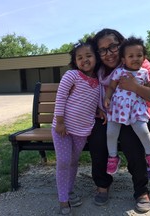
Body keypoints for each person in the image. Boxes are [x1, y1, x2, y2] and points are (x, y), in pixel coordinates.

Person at [87, 28, 150, 213]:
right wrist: (99, 108)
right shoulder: (99, 70)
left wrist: (135, 86)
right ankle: (102, 184)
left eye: (113, 46)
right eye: (103, 50)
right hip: (112, 115)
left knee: (131, 138)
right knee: (98, 135)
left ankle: (141, 191)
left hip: (138, 115)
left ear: (121, 45)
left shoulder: (139, 61)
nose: (109, 53)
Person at [52, 37, 100, 215]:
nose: (84, 59)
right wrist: (60, 122)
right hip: (63, 128)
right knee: (64, 161)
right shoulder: (71, 75)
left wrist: (101, 110)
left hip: (82, 130)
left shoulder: (98, 80)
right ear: (75, 61)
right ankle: (63, 199)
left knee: (73, 162)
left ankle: (69, 191)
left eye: (88, 55)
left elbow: (95, 101)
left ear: (96, 58)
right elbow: (61, 98)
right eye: (79, 57)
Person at [103, 36, 150, 175]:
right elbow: (111, 87)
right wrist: (107, 98)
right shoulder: (119, 72)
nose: (135, 58)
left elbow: (148, 87)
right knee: (111, 133)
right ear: (123, 60)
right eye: (131, 56)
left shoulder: (144, 72)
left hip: (136, 108)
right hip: (118, 108)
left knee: (143, 131)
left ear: (144, 58)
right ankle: (113, 157)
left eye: (139, 55)